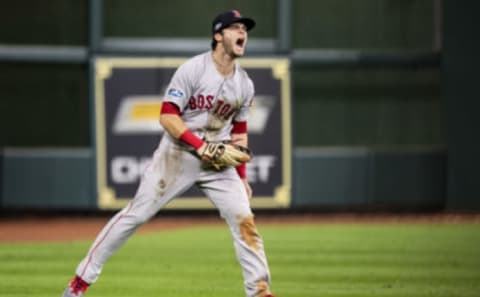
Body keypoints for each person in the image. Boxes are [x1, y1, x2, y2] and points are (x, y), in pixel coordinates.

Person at [62, 10, 276, 297]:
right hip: (179, 154)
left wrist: (242, 177)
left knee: (244, 219)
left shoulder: (244, 84)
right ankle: (79, 283)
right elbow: (167, 117)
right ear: (218, 35)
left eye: (245, 29)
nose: (242, 33)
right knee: (136, 215)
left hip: (218, 162)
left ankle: (260, 292)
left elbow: (239, 135)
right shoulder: (193, 70)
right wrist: (200, 146)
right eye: (235, 28)